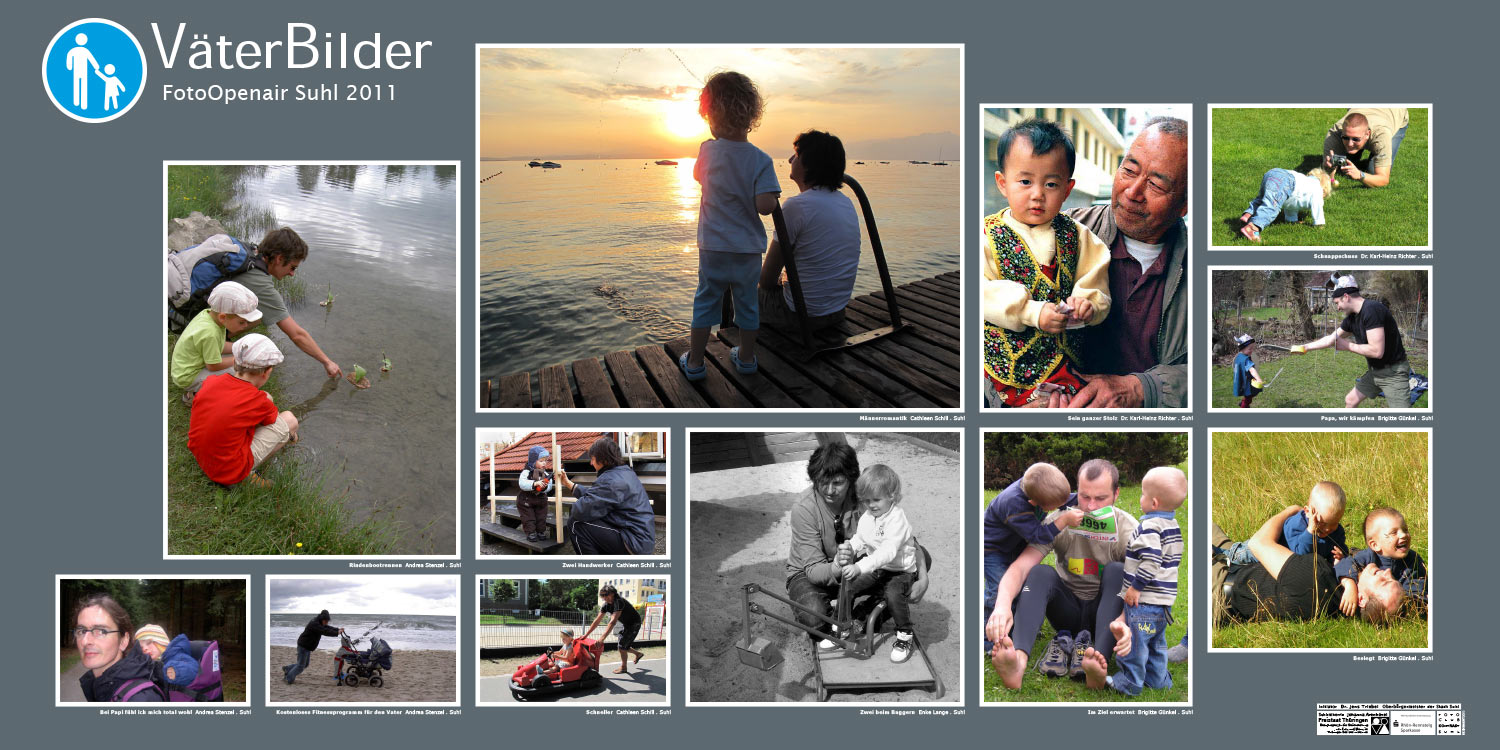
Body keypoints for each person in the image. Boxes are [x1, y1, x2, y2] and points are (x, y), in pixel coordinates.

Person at [1052, 117, 1190, 409]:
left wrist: (1143, 389)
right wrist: (1018, 400)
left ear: (1185, 205)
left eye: (1155, 185)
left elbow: (1219, 365)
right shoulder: (1057, 233)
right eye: (1129, 170)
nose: (1132, 192)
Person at [982, 119, 1111, 407]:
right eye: (1025, 181)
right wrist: (1030, 311)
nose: (1038, 193)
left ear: (1067, 189)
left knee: (1074, 403)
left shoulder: (1078, 235)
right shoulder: (987, 236)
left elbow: (1095, 278)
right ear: (1003, 184)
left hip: (1065, 364)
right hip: (1009, 366)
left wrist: (1087, 304)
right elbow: (980, 292)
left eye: (1051, 184)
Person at [987, 459, 1138, 690]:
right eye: (1084, 496)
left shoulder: (1128, 528)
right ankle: (1018, 662)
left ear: (1116, 494)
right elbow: (1020, 568)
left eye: (1101, 498)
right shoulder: (1061, 521)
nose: (1090, 507)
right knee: (1039, 572)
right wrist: (1002, 604)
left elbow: (1147, 582)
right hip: (1067, 610)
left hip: (1107, 616)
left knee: (1118, 571)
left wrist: (1123, 621)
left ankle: (1098, 662)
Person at [680, 71, 781, 381]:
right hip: (747, 249)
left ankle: (695, 362)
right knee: (747, 302)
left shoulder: (707, 151)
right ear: (752, 114)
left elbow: (698, 176)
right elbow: (765, 206)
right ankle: (747, 358)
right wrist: (768, 196)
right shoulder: (761, 160)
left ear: (710, 116)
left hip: (712, 247)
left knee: (706, 299)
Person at [786, 441, 931, 645]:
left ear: (851, 479)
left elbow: (908, 541)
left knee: (920, 558)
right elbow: (813, 571)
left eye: (837, 483)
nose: (829, 490)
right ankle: (837, 614)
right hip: (810, 572)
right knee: (815, 619)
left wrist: (923, 578)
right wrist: (838, 565)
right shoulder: (804, 508)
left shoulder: (865, 497)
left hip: (854, 567)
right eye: (822, 482)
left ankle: (862, 616)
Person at [1212, 506, 1404, 626]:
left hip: (1218, 585)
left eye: (1384, 582)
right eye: (1392, 577)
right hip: (1235, 564)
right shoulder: (1338, 601)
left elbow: (1258, 544)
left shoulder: (1316, 578)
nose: (1387, 572)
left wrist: (1290, 511)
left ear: (1361, 599)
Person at [759, 130, 860, 337]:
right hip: (836, 311)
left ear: (808, 163)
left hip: (801, 316)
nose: (789, 159)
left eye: (795, 155)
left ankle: (740, 351)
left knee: (736, 291)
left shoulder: (796, 207)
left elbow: (766, 279)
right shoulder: (845, 202)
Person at [980, 462, 1086, 653]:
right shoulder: (1013, 505)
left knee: (1021, 586)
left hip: (1013, 542)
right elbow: (1038, 536)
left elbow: (1062, 500)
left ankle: (1018, 623)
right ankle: (989, 639)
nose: (1058, 509)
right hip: (993, 551)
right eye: (1052, 508)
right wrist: (1062, 521)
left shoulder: (1037, 488)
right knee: (999, 591)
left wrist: (1085, 499)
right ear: (1034, 504)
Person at [1104, 467, 1186, 696]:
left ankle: (1129, 683)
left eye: (1142, 494)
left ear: (1154, 503)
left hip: (1144, 601)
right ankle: (1158, 681)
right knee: (1156, 645)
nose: (1139, 498)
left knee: (1137, 645)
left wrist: (1135, 588)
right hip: (1163, 603)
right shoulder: (1173, 526)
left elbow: (1151, 562)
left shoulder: (1149, 527)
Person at [187, 334, 299, 487]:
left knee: (267, 397)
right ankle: (245, 475)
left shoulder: (211, 382)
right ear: (266, 372)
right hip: (228, 471)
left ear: (235, 363)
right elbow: (273, 421)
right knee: (290, 420)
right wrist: (289, 433)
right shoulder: (257, 401)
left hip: (203, 457)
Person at [232, 227, 344, 380]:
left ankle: (222, 343)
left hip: (200, 313)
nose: (292, 274)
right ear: (279, 259)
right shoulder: (260, 284)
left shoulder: (252, 253)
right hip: (197, 320)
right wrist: (327, 362)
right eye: (292, 267)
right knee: (259, 315)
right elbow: (297, 335)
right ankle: (218, 348)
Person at [1288, 275, 1413, 408]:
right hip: (1376, 372)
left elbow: (1377, 351)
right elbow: (1331, 339)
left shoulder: (1372, 310)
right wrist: (1305, 347)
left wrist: (1347, 345)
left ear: (1346, 297)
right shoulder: (1352, 318)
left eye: (1337, 303)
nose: (1338, 308)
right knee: (1350, 400)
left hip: (1393, 373)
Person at [841, 464, 920, 663]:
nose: (871, 505)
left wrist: (860, 566)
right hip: (878, 568)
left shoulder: (897, 519)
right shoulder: (868, 517)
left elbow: (888, 551)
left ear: (892, 496)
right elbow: (861, 538)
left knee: (893, 594)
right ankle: (842, 625)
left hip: (900, 571)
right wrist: (850, 547)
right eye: (866, 501)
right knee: (849, 585)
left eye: (876, 500)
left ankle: (904, 634)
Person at [556, 437, 657, 555]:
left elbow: (580, 510)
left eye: (592, 459)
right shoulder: (624, 472)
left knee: (575, 522)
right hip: (642, 539)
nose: (591, 463)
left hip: (634, 543)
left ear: (603, 459)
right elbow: (597, 496)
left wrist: (579, 503)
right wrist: (569, 484)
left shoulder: (610, 480)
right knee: (594, 514)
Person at [170, 280, 261, 406]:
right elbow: (213, 366)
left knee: (236, 365)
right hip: (188, 376)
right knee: (238, 374)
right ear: (223, 317)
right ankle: (194, 396)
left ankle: (207, 392)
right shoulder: (210, 332)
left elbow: (219, 346)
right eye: (242, 322)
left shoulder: (210, 316)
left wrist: (239, 348)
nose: (245, 326)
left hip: (192, 365)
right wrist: (240, 358)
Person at [1336, 508, 1427, 614]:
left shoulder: (1412, 560)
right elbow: (1345, 564)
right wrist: (1350, 586)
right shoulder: (1368, 556)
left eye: (1405, 530)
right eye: (1394, 533)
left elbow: (1418, 587)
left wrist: (1416, 603)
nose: (1403, 535)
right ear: (1375, 545)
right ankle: (1353, 551)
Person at [74, 594, 163, 702]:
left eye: (101, 631)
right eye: (82, 631)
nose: (85, 641)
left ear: (123, 641)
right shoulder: (98, 684)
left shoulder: (140, 700)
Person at [1238, 167, 1332, 242]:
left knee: (1264, 199)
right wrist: (1319, 224)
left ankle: (1248, 215)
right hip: (1286, 180)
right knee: (1272, 206)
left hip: (1273, 173)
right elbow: (1317, 206)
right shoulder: (1317, 189)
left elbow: (1292, 203)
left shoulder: (1304, 183)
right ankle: (1253, 228)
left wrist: (1291, 220)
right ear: (1325, 189)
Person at [1323, 109, 1409, 189]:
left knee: (1373, 173)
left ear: (1368, 134)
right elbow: (1327, 175)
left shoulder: (1382, 136)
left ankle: (1371, 159)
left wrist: (1360, 175)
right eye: (1345, 137)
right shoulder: (1334, 133)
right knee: (1342, 165)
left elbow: (1383, 179)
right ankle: (1361, 156)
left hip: (1395, 113)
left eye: (1355, 139)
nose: (1350, 144)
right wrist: (1330, 170)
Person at [581, 585, 645, 675]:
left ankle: (624, 667)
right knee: (622, 646)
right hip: (626, 624)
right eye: (602, 595)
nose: (604, 598)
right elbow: (597, 621)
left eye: (606, 595)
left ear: (613, 593)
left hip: (634, 623)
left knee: (622, 646)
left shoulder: (619, 602)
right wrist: (586, 635)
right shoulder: (606, 605)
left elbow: (613, 621)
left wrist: (602, 638)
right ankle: (638, 654)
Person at [282, 610, 342, 684]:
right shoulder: (314, 624)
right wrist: (336, 633)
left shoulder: (319, 622)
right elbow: (324, 631)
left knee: (304, 664)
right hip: (303, 646)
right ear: (322, 618)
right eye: (326, 621)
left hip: (307, 646)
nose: (326, 622)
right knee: (301, 666)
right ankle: (288, 678)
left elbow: (327, 627)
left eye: (327, 621)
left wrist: (337, 629)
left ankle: (287, 669)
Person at [516, 445, 554, 542]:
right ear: (533, 461)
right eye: (541, 461)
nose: (544, 463)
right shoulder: (526, 472)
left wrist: (544, 488)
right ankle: (531, 533)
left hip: (541, 500)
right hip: (526, 500)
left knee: (541, 516)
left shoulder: (545, 474)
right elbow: (522, 483)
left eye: (546, 460)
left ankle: (540, 531)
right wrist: (534, 483)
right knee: (529, 517)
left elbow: (549, 486)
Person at [1231, 334, 1264, 408]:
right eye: (1250, 348)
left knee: (1249, 395)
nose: (1252, 350)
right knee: (1250, 396)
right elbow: (1252, 370)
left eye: (1253, 348)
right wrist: (1259, 379)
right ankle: (1244, 406)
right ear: (1242, 348)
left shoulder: (1239, 356)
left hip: (1240, 380)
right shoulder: (1246, 360)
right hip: (1246, 382)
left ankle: (1244, 402)